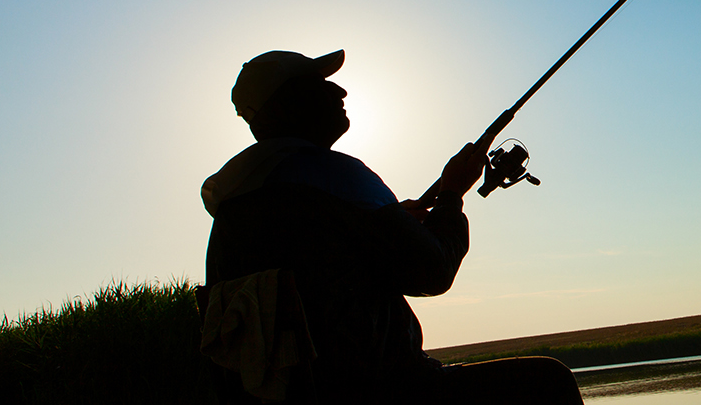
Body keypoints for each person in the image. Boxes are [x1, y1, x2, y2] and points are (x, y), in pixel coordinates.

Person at [200, 49, 583, 404]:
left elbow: (325, 264)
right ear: (287, 104)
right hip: (387, 389)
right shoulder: (336, 176)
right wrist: (452, 194)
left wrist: (394, 221)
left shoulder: (236, 202)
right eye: (319, 84)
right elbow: (433, 271)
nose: (340, 88)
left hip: (303, 394)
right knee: (548, 381)